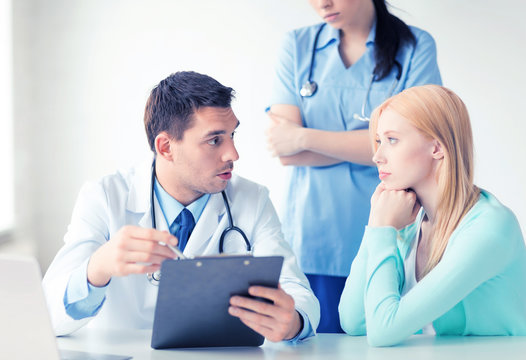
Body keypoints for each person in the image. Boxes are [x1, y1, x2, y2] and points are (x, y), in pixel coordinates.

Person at [42, 71, 320, 343]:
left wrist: (293, 321)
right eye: (214, 140)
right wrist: (96, 268)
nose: (233, 154)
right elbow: (48, 314)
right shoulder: (104, 197)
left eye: (232, 135)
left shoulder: (252, 199)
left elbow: (297, 290)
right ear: (165, 147)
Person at [265, 0, 441, 333]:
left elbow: (420, 142)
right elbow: (286, 151)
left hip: (392, 228)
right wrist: (382, 142)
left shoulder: (415, 47)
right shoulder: (298, 46)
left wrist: (303, 136)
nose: (322, 4)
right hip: (314, 235)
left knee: (386, 342)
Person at [338, 84, 526, 346]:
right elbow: (353, 320)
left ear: (437, 147)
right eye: (379, 141)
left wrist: (383, 231)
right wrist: (377, 223)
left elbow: (383, 331)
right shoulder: (410, 218)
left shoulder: (490, 227)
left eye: (392, 140)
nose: (377, 156)